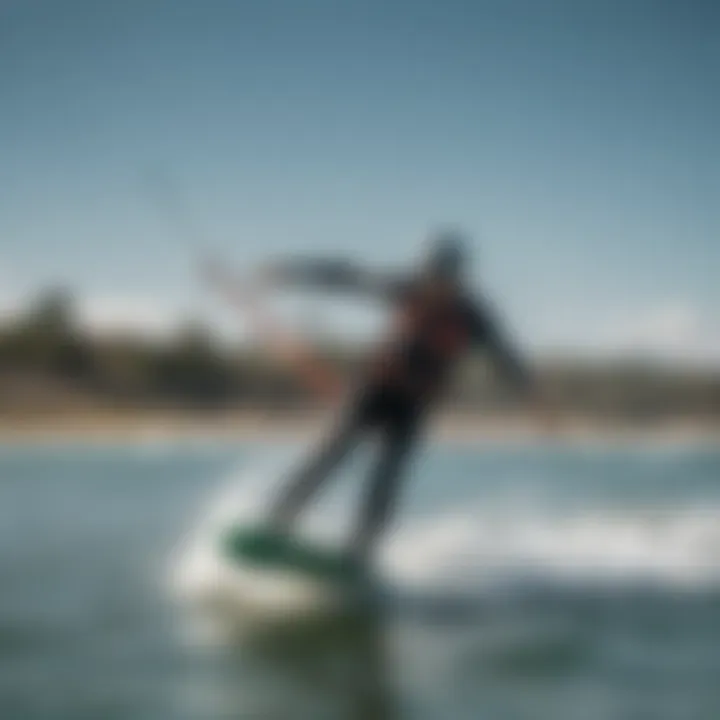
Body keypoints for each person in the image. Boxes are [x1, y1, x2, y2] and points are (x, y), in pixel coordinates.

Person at [261, 229, 544, 567]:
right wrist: (290, 272)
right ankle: (275, 525)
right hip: (374, 390)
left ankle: (359, 554)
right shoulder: (407, 287)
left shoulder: (473, 315)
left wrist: (530, 393)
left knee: (386, 478)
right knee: (329, 454)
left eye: (444, 278)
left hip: (413, 406)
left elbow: (504, 354)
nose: (435, 285)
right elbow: (346, 276)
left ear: (458, 278)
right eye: (431, 275)